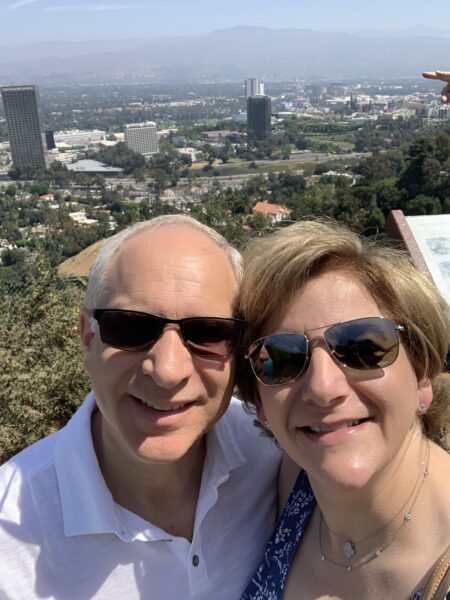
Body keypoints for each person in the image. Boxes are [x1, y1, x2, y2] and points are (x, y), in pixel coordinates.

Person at [0, 215, 281, 599]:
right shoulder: (9, 537)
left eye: (209, 333)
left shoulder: (275, 453)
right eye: (130, 327)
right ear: (87, 339)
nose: (166, 371)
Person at [236, 219, 450, 599]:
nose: (322, 388)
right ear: (259, 401)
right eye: (282, 359)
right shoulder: (289, 485)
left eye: (363, 348)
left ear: (420, 377)